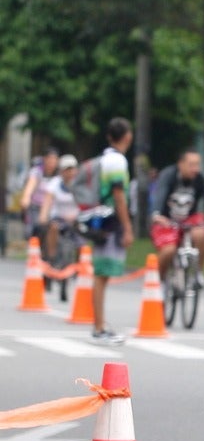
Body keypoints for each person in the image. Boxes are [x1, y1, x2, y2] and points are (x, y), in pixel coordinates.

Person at [78, 117, 135, 345]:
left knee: (101, 275)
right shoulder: (117, 162)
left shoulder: (105, 158)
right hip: (110, 223)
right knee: (101, 275)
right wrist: (128, 227)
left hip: (101, 221)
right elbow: (118, 195)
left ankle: (99, 324)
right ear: (127, 137)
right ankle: (99, 326)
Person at [150, 149, 204, 285]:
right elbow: (159, 195)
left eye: (197, 164)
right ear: (180, 164)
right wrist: (157, 215)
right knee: (168, 251)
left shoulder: (201, 178)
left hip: (189, 219)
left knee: (200, 234)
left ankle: (198, 273)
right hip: (167, 220)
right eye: (191, 164)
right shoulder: (169, 175)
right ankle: (158, 281)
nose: (195, 169)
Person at [37, 154, 81, 262]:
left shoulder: (79, 184)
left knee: (82, 240)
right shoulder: (55, 183)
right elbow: (47, 201)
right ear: (61, 171)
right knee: (53, 228)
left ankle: (79, 264)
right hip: (58, 218)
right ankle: (51, 257)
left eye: (72, 169)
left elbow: (84, 202)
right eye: (67, 170)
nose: (70, 173)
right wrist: (43, 216)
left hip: (75, 219)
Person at [20, 147, 60, 241]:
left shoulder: (58, 175)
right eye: (50, 159)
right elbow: (30, 185)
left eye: (54, 160)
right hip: (35, 207)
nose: (52, 162)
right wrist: (26, 197)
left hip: (52, 208)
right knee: (33, 231)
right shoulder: (37, 172)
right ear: (44, 159)